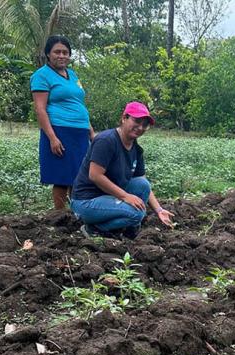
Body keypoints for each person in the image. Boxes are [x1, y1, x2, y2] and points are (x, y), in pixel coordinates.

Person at [70, 102, 174, 239]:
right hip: (86, 201)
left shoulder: (136, 149)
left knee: (142, 185)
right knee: (137, 213)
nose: (140, 127)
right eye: (137, 121)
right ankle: (95, 228)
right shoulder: (106, 140)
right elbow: (95, 175)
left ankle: (128, 229)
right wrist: (125, 196)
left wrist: (159, 210)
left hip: (107, 196)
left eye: (145, 125)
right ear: (124, 118)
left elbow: (143, 182)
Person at [31, 35, 95, 210]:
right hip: (60, 130)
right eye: (57, 52)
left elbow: (79, 104)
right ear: (48, 54)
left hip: (80, 132)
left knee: (80, 176)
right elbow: (40, 109)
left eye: (65, 52)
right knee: (62, 177)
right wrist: (52, 138)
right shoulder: (41, 76)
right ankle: (60, 215)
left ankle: (77, 213)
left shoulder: (72, 75)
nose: (61, 56)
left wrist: (91, 132)